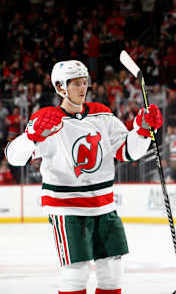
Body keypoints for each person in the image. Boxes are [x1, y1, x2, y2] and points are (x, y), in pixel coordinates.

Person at [4, 60, 163, 294]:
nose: (82, 88)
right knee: (75, 273)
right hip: (67, 208)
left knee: (112, 273)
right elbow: (13, 157)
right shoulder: (48, 120)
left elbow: (128, 151)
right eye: (76, 83)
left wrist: (142, 132)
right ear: (60, 88)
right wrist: (30, 136)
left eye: (85, 82)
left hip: (104, 206)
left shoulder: (102, 115)